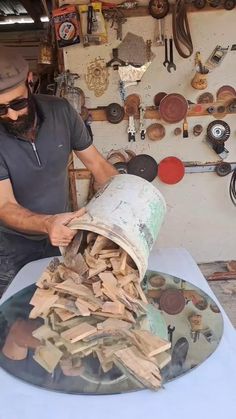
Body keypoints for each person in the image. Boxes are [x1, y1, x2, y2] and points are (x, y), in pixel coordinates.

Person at [0, 47, 118, 296]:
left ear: (30, 81)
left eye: (18, 103)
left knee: (60, 301)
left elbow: (97, 164)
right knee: (15, 313)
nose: (11, 115)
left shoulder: (61, 111)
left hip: (61, 234)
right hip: (10, 245)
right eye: (0, 109)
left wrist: (124, 204)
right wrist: (47, 223)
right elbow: (4, 206)